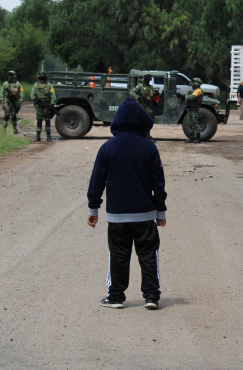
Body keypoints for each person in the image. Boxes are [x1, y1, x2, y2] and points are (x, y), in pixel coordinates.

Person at [86, 98, 167, 310]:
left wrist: (93, 208)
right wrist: (160, 211)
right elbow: (158, 183)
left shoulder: (107, 148)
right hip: (144, 215)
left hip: (117, 216)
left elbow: (97, 180)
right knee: (149, 254)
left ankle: (115, 297)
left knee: (118, 255)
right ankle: (151, 297)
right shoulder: (149, 148)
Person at [130, 73, 158, 142]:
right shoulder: (140, 86)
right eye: (147, 80)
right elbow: (132, 92)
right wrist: (138, 98)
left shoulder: (151, 87)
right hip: (141, 105)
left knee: (150, 117)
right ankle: (146, 136)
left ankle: (146, 134)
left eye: (149, 80)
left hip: (148, 105)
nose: (148, 81)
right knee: (143, 120)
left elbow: (152, 95)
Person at [31, 71, 57, 142]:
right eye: (41, 76)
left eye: (43, 76)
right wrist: (35, 100)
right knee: (39, 120)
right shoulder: (36, 85)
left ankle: (48, 136)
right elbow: (32, 94)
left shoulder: (49, 85)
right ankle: (38, 136)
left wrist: (52, 103)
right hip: (39, 106)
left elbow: (53, 95)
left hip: (47, 105)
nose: (42, 77)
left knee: (47, 120)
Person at [179, 78, 204, 144]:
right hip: (191, 108)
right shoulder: (194, 90)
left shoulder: (198, 90)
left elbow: (192, 97)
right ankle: (192, 138)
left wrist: (185, 96)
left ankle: (198, 138)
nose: (192, 84)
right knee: (191, 123)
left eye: (193, 83)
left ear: (197, 84)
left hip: (195, 109)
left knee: (195, 123)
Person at [0, 71, 24, 135]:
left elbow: (22, 92)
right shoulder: (5, 84)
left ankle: (14, 129)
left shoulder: (18, 84)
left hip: (15, 102)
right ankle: (4, 130)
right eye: (9, 76)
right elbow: (1, 92)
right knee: (7, 115)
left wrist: (20, 101)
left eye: (11, 76)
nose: (10, 77)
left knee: (14, 115)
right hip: (7, 101)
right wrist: (2, 101)